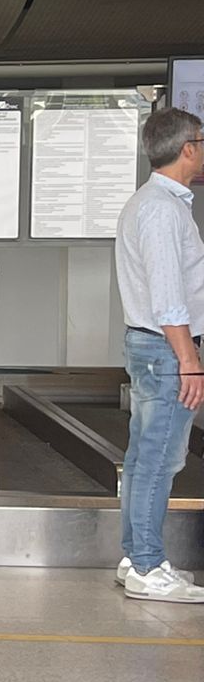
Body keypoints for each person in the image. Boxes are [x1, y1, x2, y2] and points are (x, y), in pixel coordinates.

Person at [113, 106, 204, 605]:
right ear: (187, 147)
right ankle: (147, 564)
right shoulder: (162, 209)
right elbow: (169, 295)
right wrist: (189, 358)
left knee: (146, 455)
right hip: (165, 348)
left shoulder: (154, 203)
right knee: (160, 459)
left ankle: (135, 558)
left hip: (152, 345)